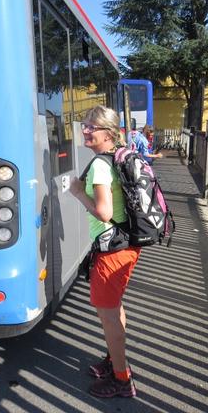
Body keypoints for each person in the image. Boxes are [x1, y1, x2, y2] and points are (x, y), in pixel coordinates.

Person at [69, 105, 140, 398]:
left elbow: (104, 212)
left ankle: (122, 380)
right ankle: (114, 361)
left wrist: (77, 192)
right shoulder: (117, 156)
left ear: (108, 133)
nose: (85, 130)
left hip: (112, 250)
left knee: (108, 316)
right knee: (115, 309)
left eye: (92, 127)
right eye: (85, 125)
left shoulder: (100, 164)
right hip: (125, 245)